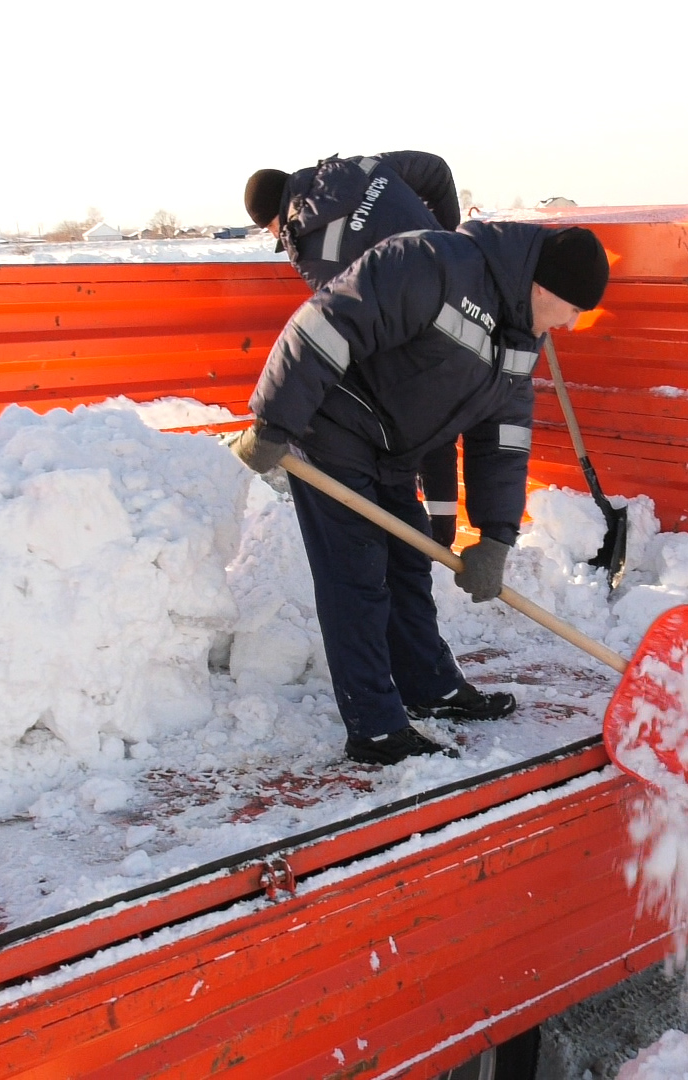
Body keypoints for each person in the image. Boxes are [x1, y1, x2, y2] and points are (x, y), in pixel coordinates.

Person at [232, 221, 610, 765]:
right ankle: (375, 728)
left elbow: (501, 438)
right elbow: (325, 323)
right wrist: (274, 420)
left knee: (407, 562)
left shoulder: (525, 336)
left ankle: (429, 687)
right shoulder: (432, 263)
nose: (572, 326)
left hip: (393, 448)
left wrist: (496, 537)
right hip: (335, 425)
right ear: (544, 289)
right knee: (357, 574)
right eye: (574, 310)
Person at [244, 152, 464, 546]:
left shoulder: (314, 250)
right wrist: (448, 240)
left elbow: (341, 326)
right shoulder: (364, 168)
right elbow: (436, 170)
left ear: (274, 220)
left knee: (424, 421)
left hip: (420, 326)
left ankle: (437, 542)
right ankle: (440, 535)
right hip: (466, 290)